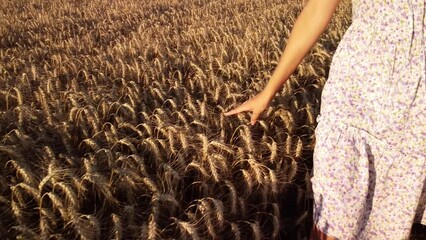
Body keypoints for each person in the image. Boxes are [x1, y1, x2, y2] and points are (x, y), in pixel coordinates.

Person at [224, 0, 426, 239]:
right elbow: (318, 9)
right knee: (332, 221)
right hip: (353, 103)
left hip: (415, 118)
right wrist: (269, 90)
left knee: (389, 227)